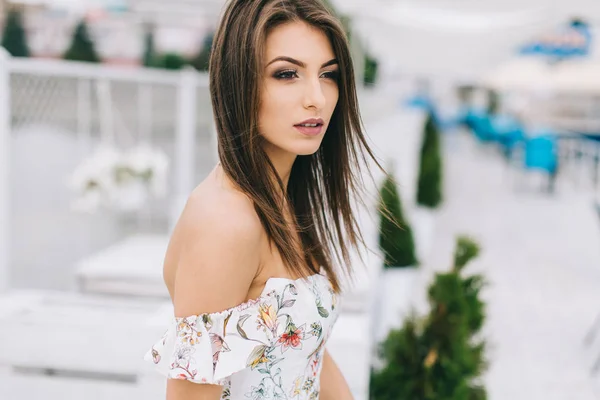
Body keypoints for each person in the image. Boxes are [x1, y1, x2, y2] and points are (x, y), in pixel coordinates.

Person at [144, 0, 383, 398]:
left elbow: (308, 353)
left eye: (328, 75)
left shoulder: (280, 201)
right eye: (286, 74)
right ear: (238, 81)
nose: (317, 99)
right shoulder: (226, 222)